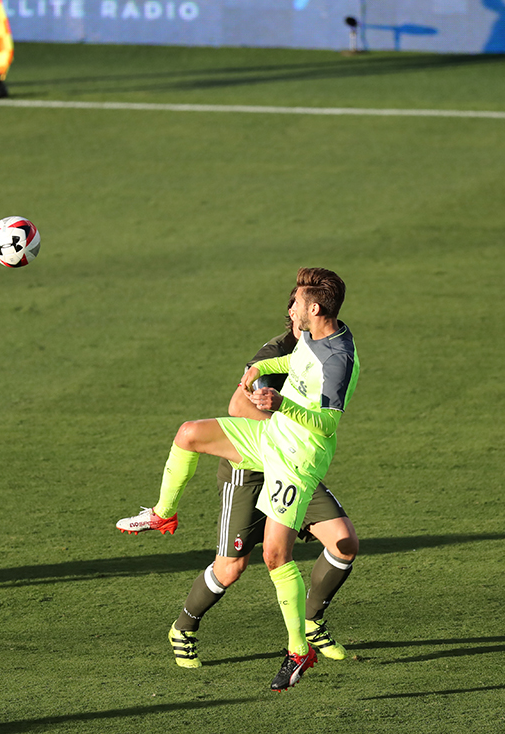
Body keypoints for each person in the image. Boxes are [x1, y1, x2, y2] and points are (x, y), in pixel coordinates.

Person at [116, 267, 359, 691]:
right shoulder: (314, 337)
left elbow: (326, 424)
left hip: (295, 458)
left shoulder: (337, 360)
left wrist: (282, 403)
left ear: (314, 308)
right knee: (189, 433)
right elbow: (295, 361)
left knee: (275, 557)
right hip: (271, 437)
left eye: (298, 302)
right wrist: (260, 369)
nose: (291, 307)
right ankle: (162, 513)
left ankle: (298, 649)